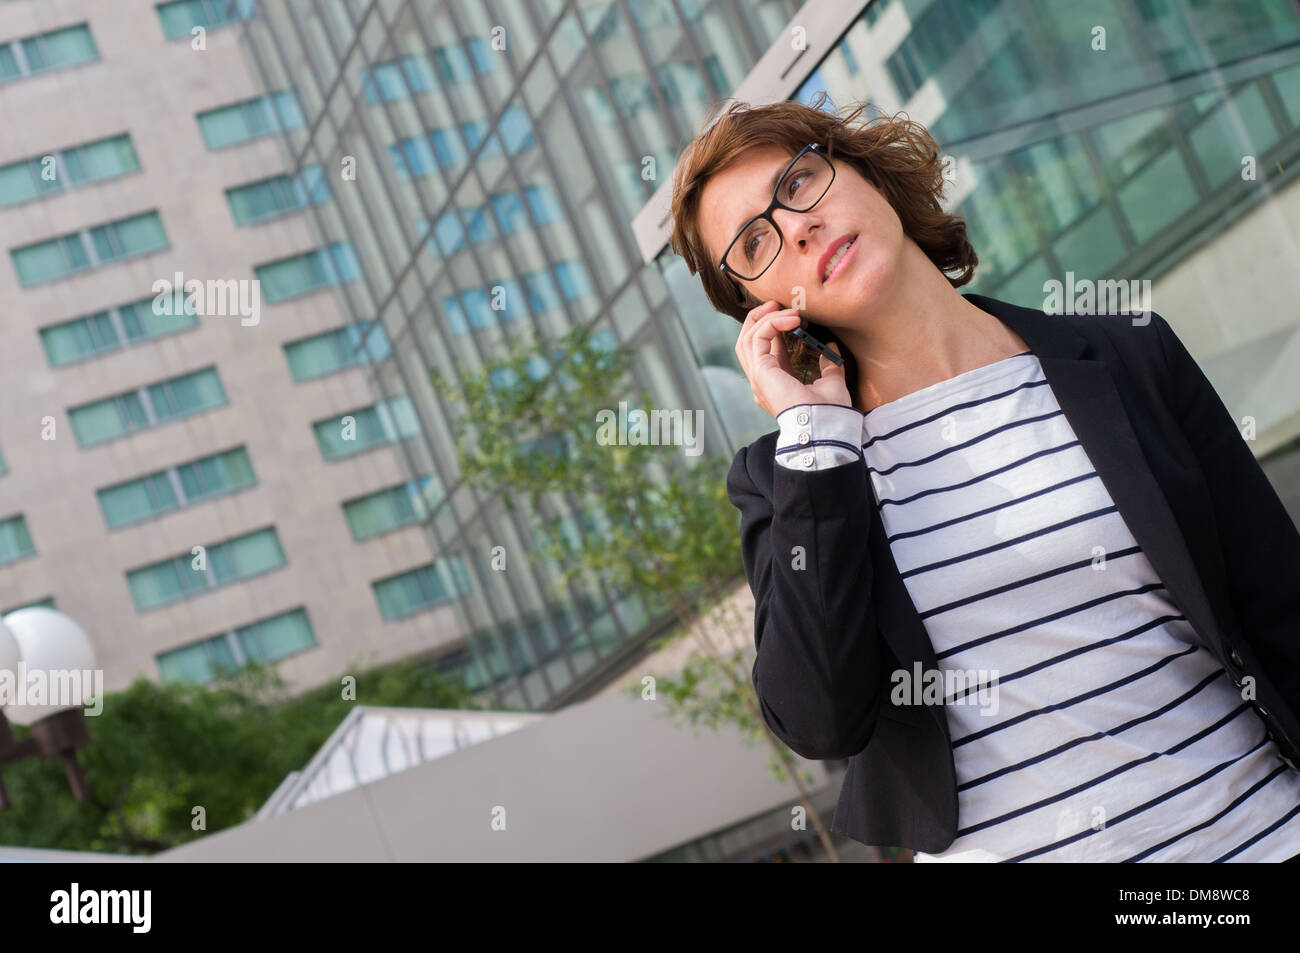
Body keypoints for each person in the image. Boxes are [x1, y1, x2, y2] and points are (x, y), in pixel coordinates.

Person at [667, 93, 1300, 862]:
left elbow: (1282, 604)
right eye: (756, 243)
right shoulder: (794, 475)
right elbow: (820, 719)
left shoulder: (1128, 357)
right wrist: (815, 437)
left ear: (861, 169)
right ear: (760, 309)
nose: (795, 228)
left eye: (798, 185)